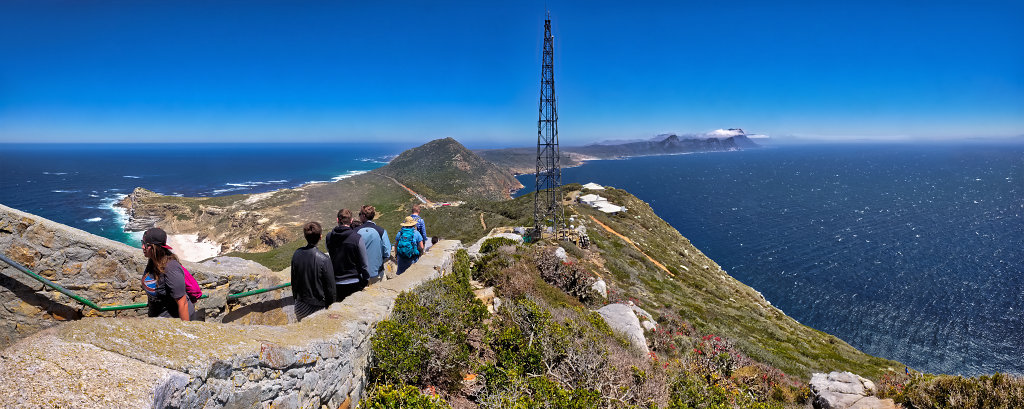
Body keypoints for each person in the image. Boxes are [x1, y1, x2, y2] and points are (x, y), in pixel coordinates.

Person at [139, 227, 194, 321]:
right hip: (159, 317)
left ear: (155, 247)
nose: (142, 247)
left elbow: (183, 302)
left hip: (173, 320)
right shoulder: (153, 262)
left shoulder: (171, 268)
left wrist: (186, 330)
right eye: (142, 243)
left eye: (145, 244)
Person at [290, 221, 336, 321]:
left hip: (300, 306)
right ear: (320, 237)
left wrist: (296, 299)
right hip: (318, 307)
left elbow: (293, 281)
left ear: (305, 236)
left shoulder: (296, 254)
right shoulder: (324, 259)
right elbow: (330, 288)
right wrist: (331, 308)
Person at [325, 208, 370, 302]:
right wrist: (366, 278)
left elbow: (330, 253)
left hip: (336, 282)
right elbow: (364, 263)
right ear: (351, 220)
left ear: (337, 220)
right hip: (354, 281)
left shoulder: (329, 237)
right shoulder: (357, 238)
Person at [356, 205, 390, 285]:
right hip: (377, 272)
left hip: (361, 274)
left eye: (359, 214)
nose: (359, 216)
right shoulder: (381, 231)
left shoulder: (355, 232)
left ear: (364, 216)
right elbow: (387, 253)